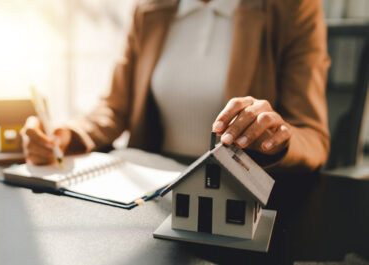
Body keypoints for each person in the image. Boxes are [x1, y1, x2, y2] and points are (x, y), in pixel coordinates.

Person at [21, 0, 330, 174]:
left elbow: (313, 136)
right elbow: (115, 107)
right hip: (153, 190)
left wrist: (276, 139)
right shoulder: (149, 10)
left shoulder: (293, 8)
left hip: (246, 196)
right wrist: (65, 136)